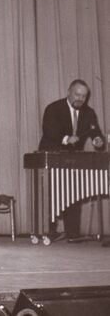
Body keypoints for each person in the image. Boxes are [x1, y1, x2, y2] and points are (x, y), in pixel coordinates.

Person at [38, 79, 105, 242]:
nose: (80, 99)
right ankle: (47, 231)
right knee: (51, 196)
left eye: (84, 96)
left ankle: (73, 233)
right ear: (69, 92)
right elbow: (49, 131)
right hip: (52, 157)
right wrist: (66, 138)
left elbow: (95, 131)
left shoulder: (89, 113)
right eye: (77, 94)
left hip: (73, 160)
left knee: (73, 195)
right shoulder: (54, 108)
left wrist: (98, 140)